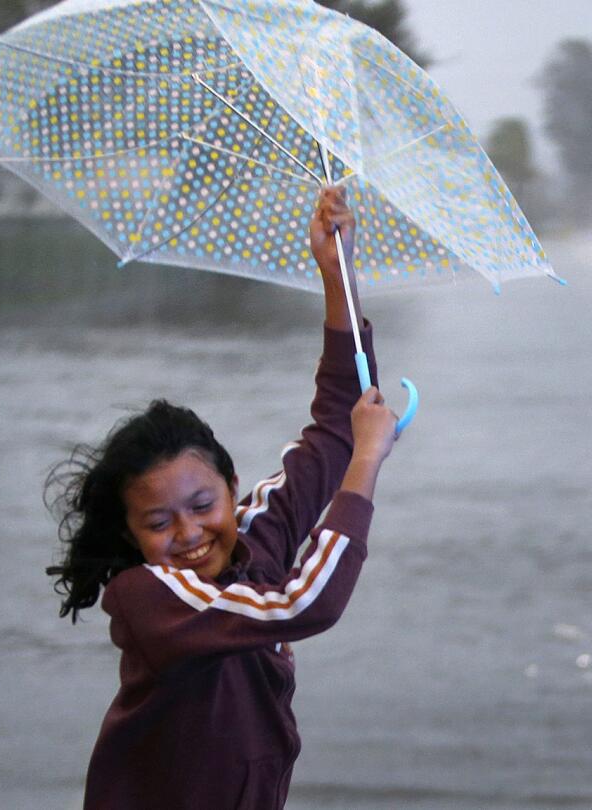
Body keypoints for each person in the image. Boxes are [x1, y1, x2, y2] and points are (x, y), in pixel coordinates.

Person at [45, 186, 398, 809]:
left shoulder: (254, 537)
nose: (188, 534)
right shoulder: (151, 598)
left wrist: (335, 272)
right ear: (130, 534)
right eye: (158, 521)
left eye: (203, 504)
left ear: (233, 488)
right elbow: (300, 604)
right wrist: (367, 460)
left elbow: (337, 420)